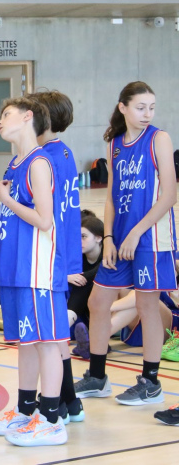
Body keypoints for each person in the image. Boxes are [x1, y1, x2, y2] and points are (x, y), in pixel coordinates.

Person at [74, 82, 177, 408]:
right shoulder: (115, 144)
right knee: (97, 302)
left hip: (151, 238)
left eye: (152, 107)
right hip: (119, 239)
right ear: (123, 107)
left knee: (147, 307)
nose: (147, 114)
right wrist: (108, 238)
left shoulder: (159, 139)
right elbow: (110, 197)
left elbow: (169, 196)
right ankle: (97, 377)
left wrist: (136, 233)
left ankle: (150, 382)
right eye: (140, 107)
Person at [0, 96, 69, 446]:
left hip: (37, 270)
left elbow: (44, 220)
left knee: (46, 343)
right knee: (26, 343)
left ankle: (52, 420)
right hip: (15, 268)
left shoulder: (39, 162)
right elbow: (16, 216)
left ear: (27, 117)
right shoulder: (14, 163)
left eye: (6, 115)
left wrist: (6, 201)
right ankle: (25, 410)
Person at [31, 90, 84, 423]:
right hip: (62, 253)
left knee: (51, 334)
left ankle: (60, 404)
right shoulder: (63, 152)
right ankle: (70, 402)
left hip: (53, 254)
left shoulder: (45, 158)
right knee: (56, 332)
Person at [69, 214, 105, 358]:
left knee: (90, 283)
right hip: (83, 311)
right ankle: (59, 333)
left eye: (84, 237)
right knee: (79, 284)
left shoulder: (108, 254)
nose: (79, 241)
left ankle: (98, 342)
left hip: (108, 309)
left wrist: (81, 277)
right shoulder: (76, 257)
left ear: (98, 238)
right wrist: (67, 277)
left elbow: (100, 271)